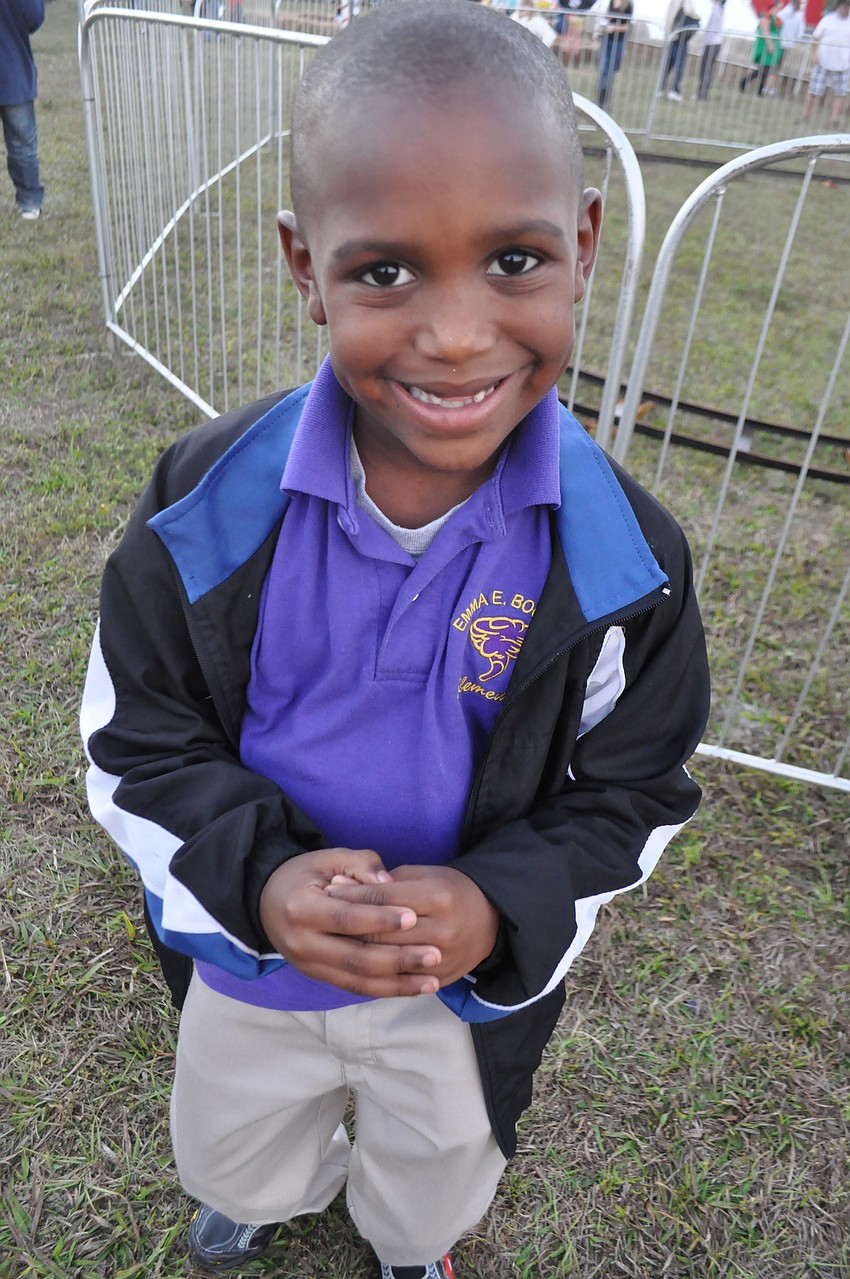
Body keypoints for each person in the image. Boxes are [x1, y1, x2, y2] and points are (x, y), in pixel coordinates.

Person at [80, 2, 710, 1276]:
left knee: (433, 1185)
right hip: (248, 967)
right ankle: (267, 1190)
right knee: (231, 1146)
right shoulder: (204, 504)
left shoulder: (624, 560)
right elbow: (129, 742)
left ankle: (406, 1244)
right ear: (302, 266)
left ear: (583, 245)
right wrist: (259, 882)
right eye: (384, 271)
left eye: (515, 261)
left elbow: (635, 791)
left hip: (463, 997)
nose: (459, 332)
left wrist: (494, 904)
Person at [0, 0, 44, 220]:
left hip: (13, 71)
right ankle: (29, 202)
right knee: (22, 143)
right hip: (13, 71)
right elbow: (33, 18)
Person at [803, 0, 850, 125]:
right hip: (823, 61)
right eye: (843, 7)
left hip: (843, 64)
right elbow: (815, 38)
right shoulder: (827, 20)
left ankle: (833, 120)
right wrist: (813, 55)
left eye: (847, 7)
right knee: (814, 90)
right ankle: (806, 116)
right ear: (838, 7)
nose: (845, 9)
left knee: (839, 93)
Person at [740, 0, 782, 96]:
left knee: (765, 69)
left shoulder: (776, 19)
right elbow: (765, 32)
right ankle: (747, 82)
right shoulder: (766, 17)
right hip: (764, 46)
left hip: (771, 46)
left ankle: (757, 89)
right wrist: (770, 44)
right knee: (763, 69)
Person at [660, 0, 701, 100]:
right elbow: (691, 13)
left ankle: (661, 88)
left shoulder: (674, 3)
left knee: (668, 65)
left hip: (672, 36)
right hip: (679, 38)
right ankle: (674, 90)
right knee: (677, 65)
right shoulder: (683, 2)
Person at [597, 0, 633, 110]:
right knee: (603, 69)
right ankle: (600, 100)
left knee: (610, 71)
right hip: (607, 38)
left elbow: (627, 27)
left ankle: (605, 100)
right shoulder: (611, 2)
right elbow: (606, 19)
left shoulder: (628, 5)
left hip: (618, 41)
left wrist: (614, 28)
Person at [697, 0, 725, 101]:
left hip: (711, 44)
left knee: (705, 70)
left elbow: (711, 30)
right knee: (707, 70)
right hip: (714, 43)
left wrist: (703, 46)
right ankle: (702, 94)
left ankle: (702, 95)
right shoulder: (719, 10)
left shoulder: (717, 10)